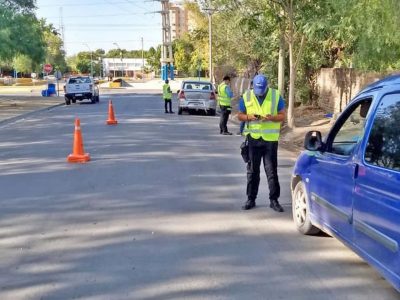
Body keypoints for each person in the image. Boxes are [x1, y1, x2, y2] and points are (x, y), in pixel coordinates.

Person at [237, 74, 286, 212]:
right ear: (253, 86)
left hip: (270, 141)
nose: (260, 93)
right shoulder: (247, 96)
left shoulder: (276, 96)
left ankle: (274, 200)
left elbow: (282, 115)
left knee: (271, 171)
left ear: (266, 87)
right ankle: (251, 199)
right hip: (253, 139)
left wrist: (272, 118)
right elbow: (239, 115)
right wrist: (249, 117)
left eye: (262, 90)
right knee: (253, 171)